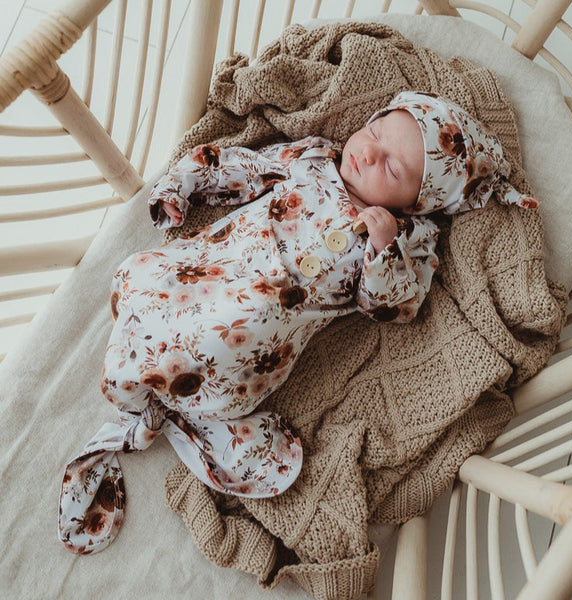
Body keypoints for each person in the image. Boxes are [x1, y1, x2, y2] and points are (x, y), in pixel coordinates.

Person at [58, 91, 538, 554]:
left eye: (392, 167)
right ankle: (151, 376)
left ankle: (182, 402)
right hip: (211, 267)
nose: (369, 153)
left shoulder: (409, 238)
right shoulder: (313, 159)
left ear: (418, 201)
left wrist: (382, 248)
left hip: (262, 331)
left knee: (238, 325)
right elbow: (246, 168)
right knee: (147, 280)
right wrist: (184, 181)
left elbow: (394, 305)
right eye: (373, 131)